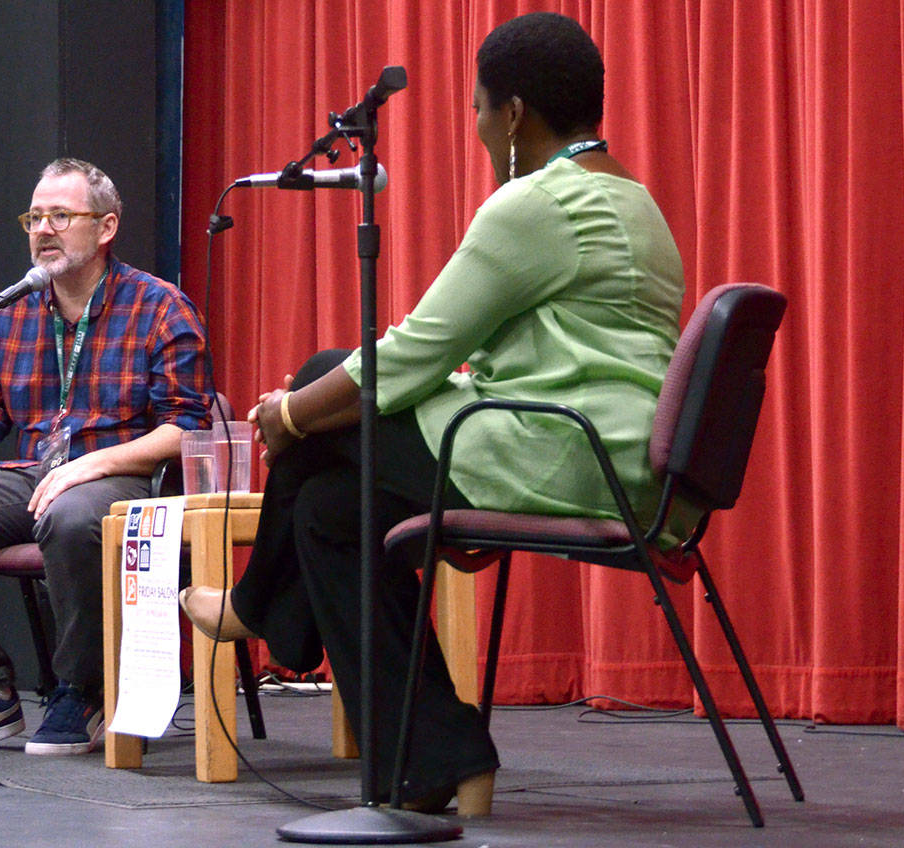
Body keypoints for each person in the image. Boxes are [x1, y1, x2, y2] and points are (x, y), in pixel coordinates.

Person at [179, 12, 685, 812]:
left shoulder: (538, 205)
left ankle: (258, 606)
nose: (477, 128)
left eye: (478, 109)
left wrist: (290, 415)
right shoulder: (632, 198)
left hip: (562, 453)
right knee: (329, 510)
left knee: (324, 381)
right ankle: (436, 756)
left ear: (512, 114)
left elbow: (414, 351)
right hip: (607, 454)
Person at [0, 158, 213, 756]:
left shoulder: (159, 306)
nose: (43, 229)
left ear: (105, 227)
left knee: (72, 514)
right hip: (37, 477)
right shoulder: (11, 314)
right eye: (34, 217)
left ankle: (83, 689)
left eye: (60, 216)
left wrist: (93, 465)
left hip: (127, 477)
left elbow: (187, 427)